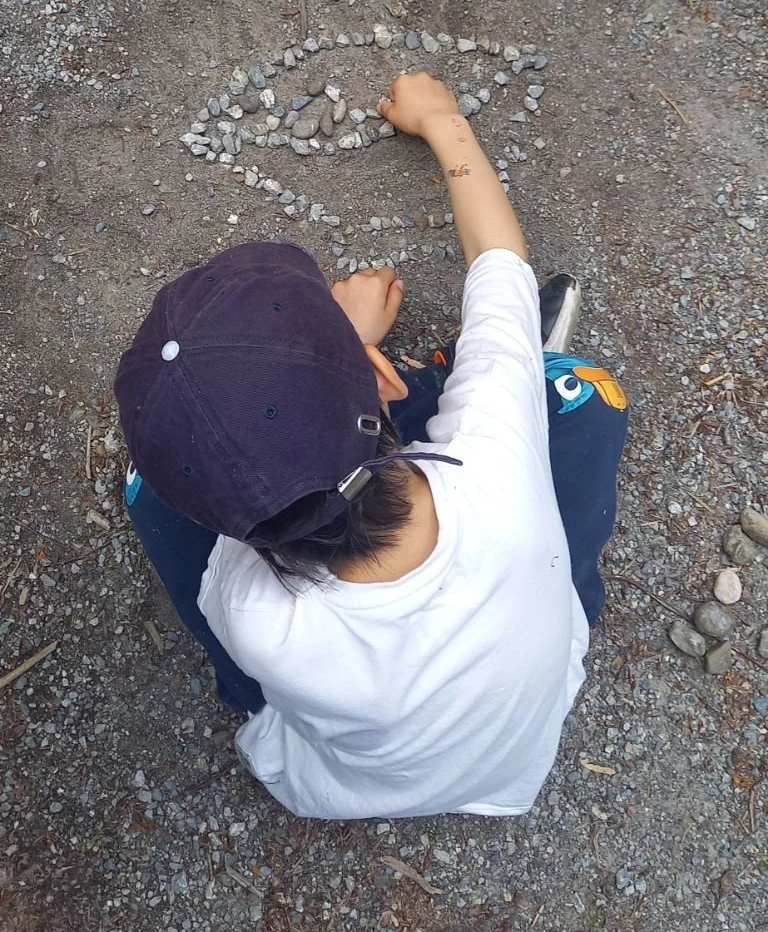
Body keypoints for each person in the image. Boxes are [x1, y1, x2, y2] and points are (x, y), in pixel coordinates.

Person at [115, 73, 628, 819]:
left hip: (341, 783)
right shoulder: (495, 464)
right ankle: (496, 375)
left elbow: (251, 493)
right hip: (515, 745)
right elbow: (500, 262)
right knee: (578, 394)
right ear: (383, 378)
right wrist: (443, 119)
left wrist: (332, 362)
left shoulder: (252, 613)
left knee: (147, 491)